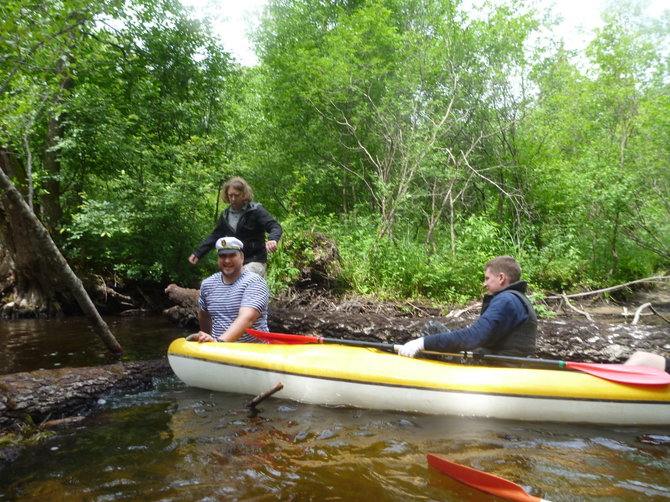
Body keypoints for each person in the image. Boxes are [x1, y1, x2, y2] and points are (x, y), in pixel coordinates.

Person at [399, 256, 537, 358]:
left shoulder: (507, 300)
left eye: (487, 278)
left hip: (497, 368)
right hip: (498, 360)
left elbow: (475, 336)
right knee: (433, 328)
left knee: (430, 330)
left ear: (501, 278)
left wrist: (422, 343)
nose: (484, 284)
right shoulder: (515, 299)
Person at [188, 176, 282, 277]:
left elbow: (275, 226)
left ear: (244, 194)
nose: (233, 199)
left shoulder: (256, 211)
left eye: (236, 195)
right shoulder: (225, 215)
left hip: (255, 261)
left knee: (243, 279)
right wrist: (198, 253)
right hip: (234, 263)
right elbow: (215, 236)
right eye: (230, 195)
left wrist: (273, 239)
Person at [190, 236, 270, 343]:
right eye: (222, 256)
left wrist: (219, 343)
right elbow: (204, 315)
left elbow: (247, 319)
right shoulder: (207, 284)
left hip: (253, 353)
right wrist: (207, 341)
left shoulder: (255, 282)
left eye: (232, 255)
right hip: (219, 350)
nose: (227, 260)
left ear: (241, 257)